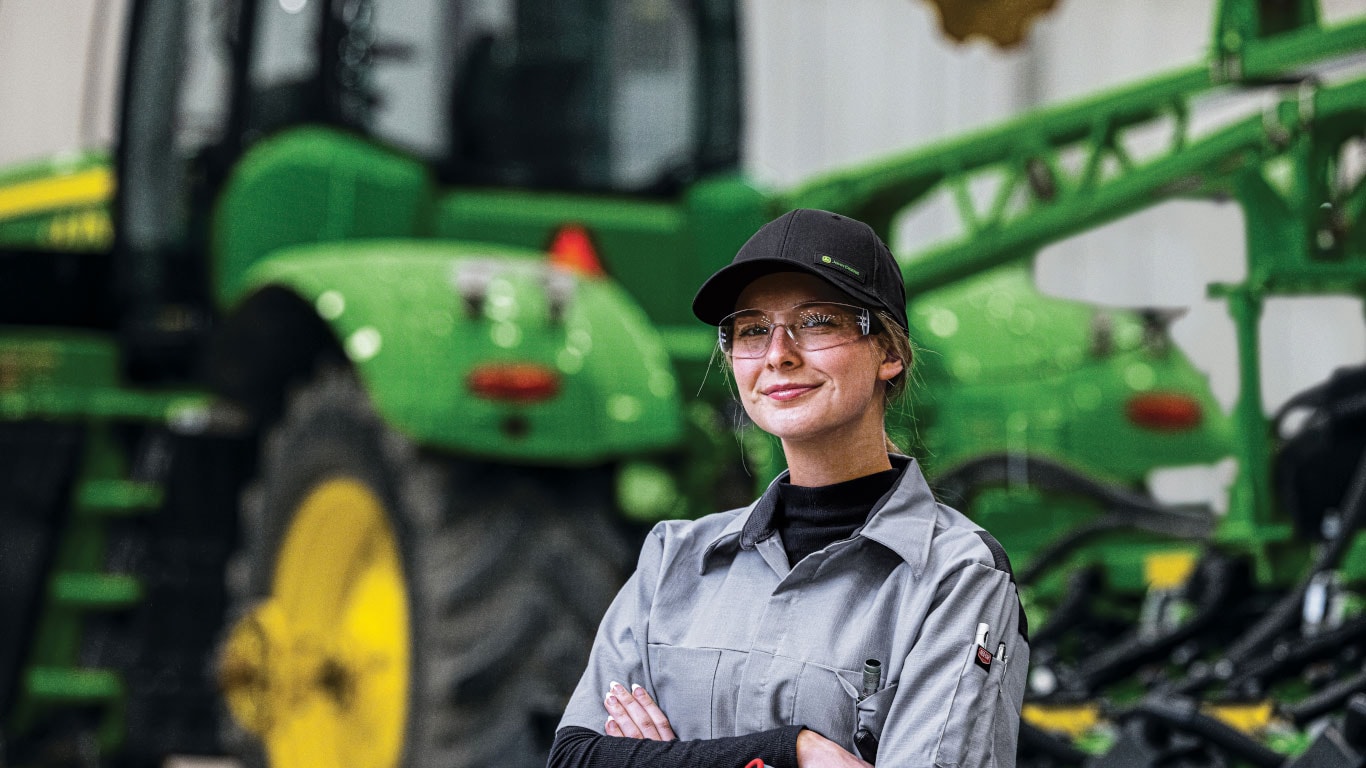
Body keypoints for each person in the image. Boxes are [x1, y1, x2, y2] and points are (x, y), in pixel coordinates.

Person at [548, 209, 1029, 768]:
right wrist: (792, 754)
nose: (778, 353)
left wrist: (665, 759)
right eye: (752, 330)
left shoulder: (956, 577)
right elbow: (576, 757)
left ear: (889, 353)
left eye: (818, 321)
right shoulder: (673, 560)